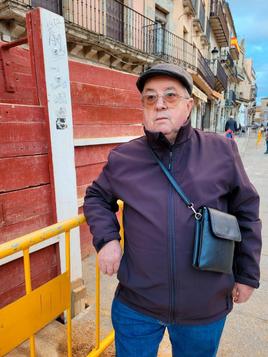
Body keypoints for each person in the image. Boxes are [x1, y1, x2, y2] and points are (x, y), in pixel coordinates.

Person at [83, 63, 262, 357]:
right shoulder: (123, 158)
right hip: (137, 304)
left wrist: (247, 275)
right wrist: (107, 239)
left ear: (189, 106)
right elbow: (96, 197)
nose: (160, 104)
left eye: (170, 95)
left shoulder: (221, 152)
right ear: (143, 108)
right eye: (150, 98)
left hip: (204, 305)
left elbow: (247, 214)